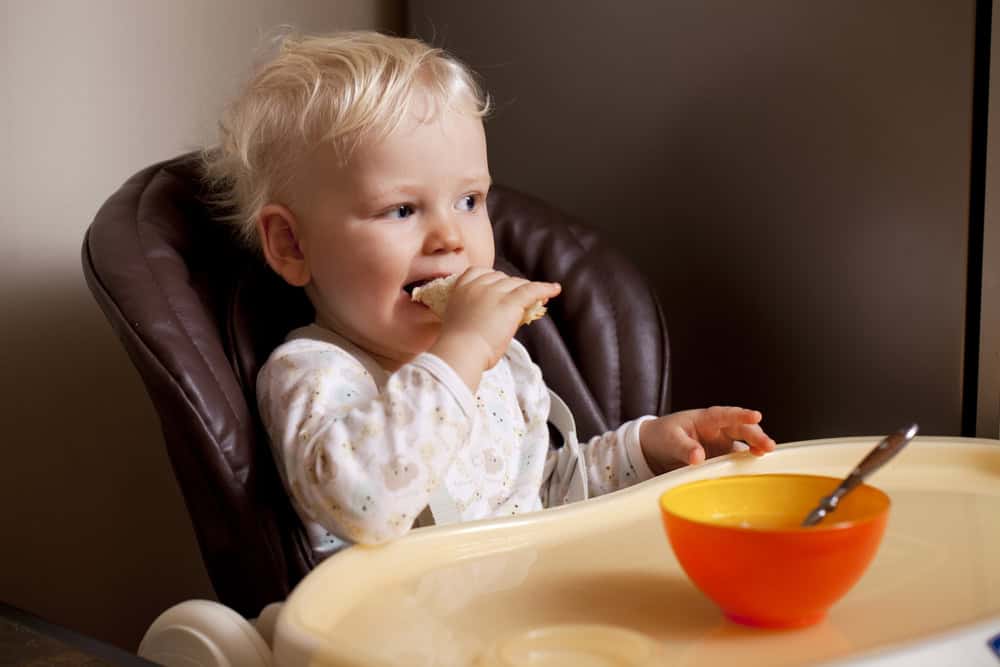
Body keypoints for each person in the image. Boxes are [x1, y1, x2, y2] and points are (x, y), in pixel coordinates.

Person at [203, 31, 776, 558]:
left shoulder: (503, 369)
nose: (450, 237)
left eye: (469, 201)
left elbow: (547, 497)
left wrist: (648, 449)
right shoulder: (313, 373)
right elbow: (365, 508)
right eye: (401, 209)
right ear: (292, 245)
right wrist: (461, 353)